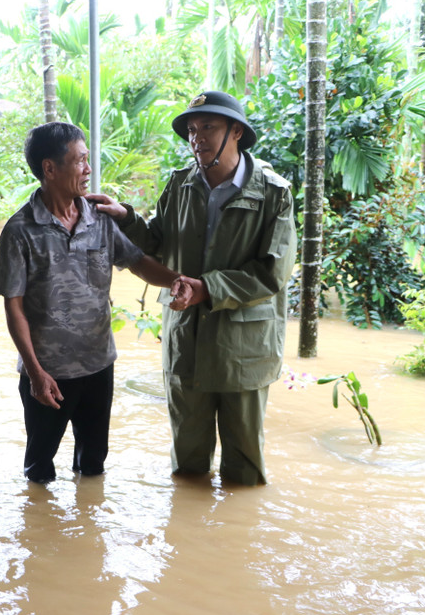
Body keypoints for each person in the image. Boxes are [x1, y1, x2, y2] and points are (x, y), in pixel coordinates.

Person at [93, 91, 297, 485]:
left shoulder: (274, 193)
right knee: (186, 467)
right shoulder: (180, 184)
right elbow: (157, 241)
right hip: (185, 340)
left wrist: (206, 288)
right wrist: (125, 217)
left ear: (236, 131)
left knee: (244, 473)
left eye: (208, 127)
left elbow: (273, 273)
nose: (197, 137)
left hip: (244, 351)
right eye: (191, 129)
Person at [0, 122, 191, 484]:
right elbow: (13, 306)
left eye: (87, 159)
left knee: (93, 466)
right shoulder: (20, 230)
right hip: (47, 374)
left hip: (98, 365)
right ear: (49, 169)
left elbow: (137, 262)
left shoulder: (99, 217)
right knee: (39, 469)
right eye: (80, 160)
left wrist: (176, 280)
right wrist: (35, 372)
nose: (88, 169)